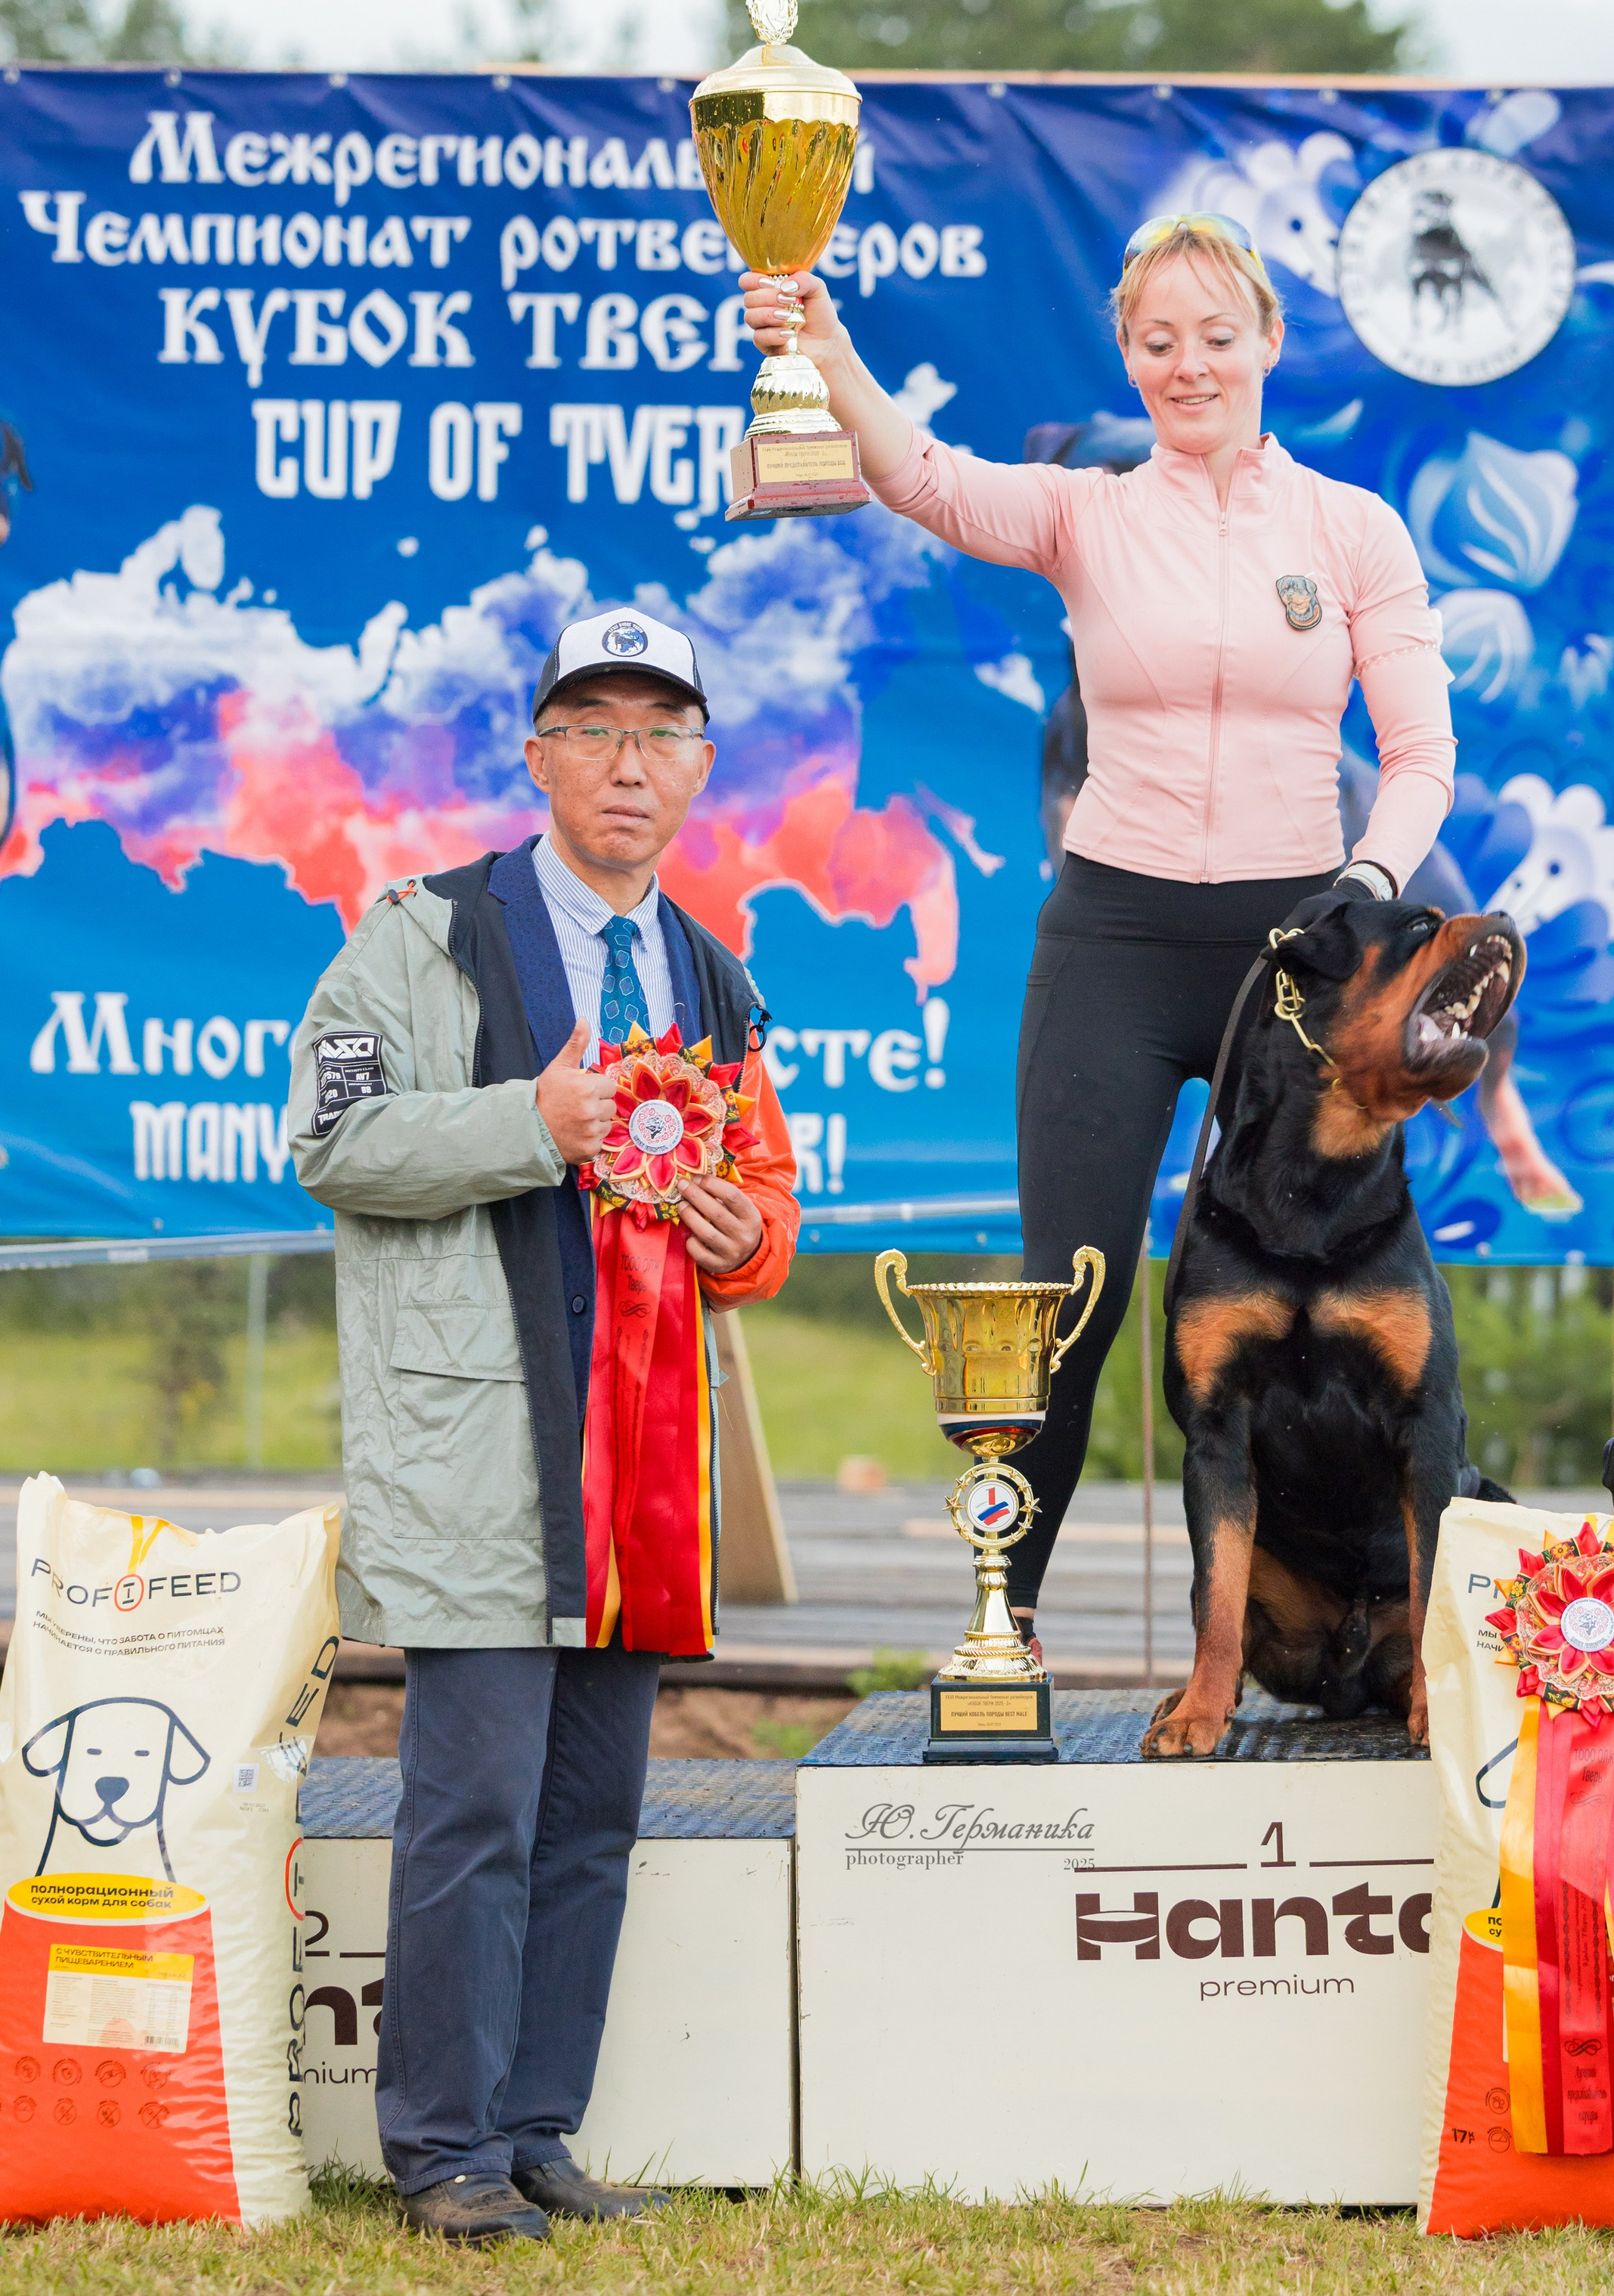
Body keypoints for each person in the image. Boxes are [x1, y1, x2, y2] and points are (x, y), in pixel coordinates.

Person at [739, 214, 1453, 1653]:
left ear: (1266, 342)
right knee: (1066, 1303)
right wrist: (825, 347)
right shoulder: (1089, 511)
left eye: (1214, 333)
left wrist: (1360, 885)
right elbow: (917, 474)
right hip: (1112, 945)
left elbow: (1423, 752)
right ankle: (1002, 1637)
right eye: (1156, 340)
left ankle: (1393, 1633)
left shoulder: (1353, 530)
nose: (1187, 363)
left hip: (1297, 961)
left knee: (1345, 1294)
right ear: (1128, 357)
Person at [289, 606, 798, 2244]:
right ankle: (439, 2146)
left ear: (699, 766)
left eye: (662, 733)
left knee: (590, 1816)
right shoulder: (417, 935)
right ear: (538, 756)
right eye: (593, 728)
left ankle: (534, 2129)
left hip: (643, 1476)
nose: (627, 762)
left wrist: (748, 1240)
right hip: (483, 1452)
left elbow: (766, 1192)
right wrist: (536, 1117)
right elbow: (332, 1137)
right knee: (472, 1810)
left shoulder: (712, 971)